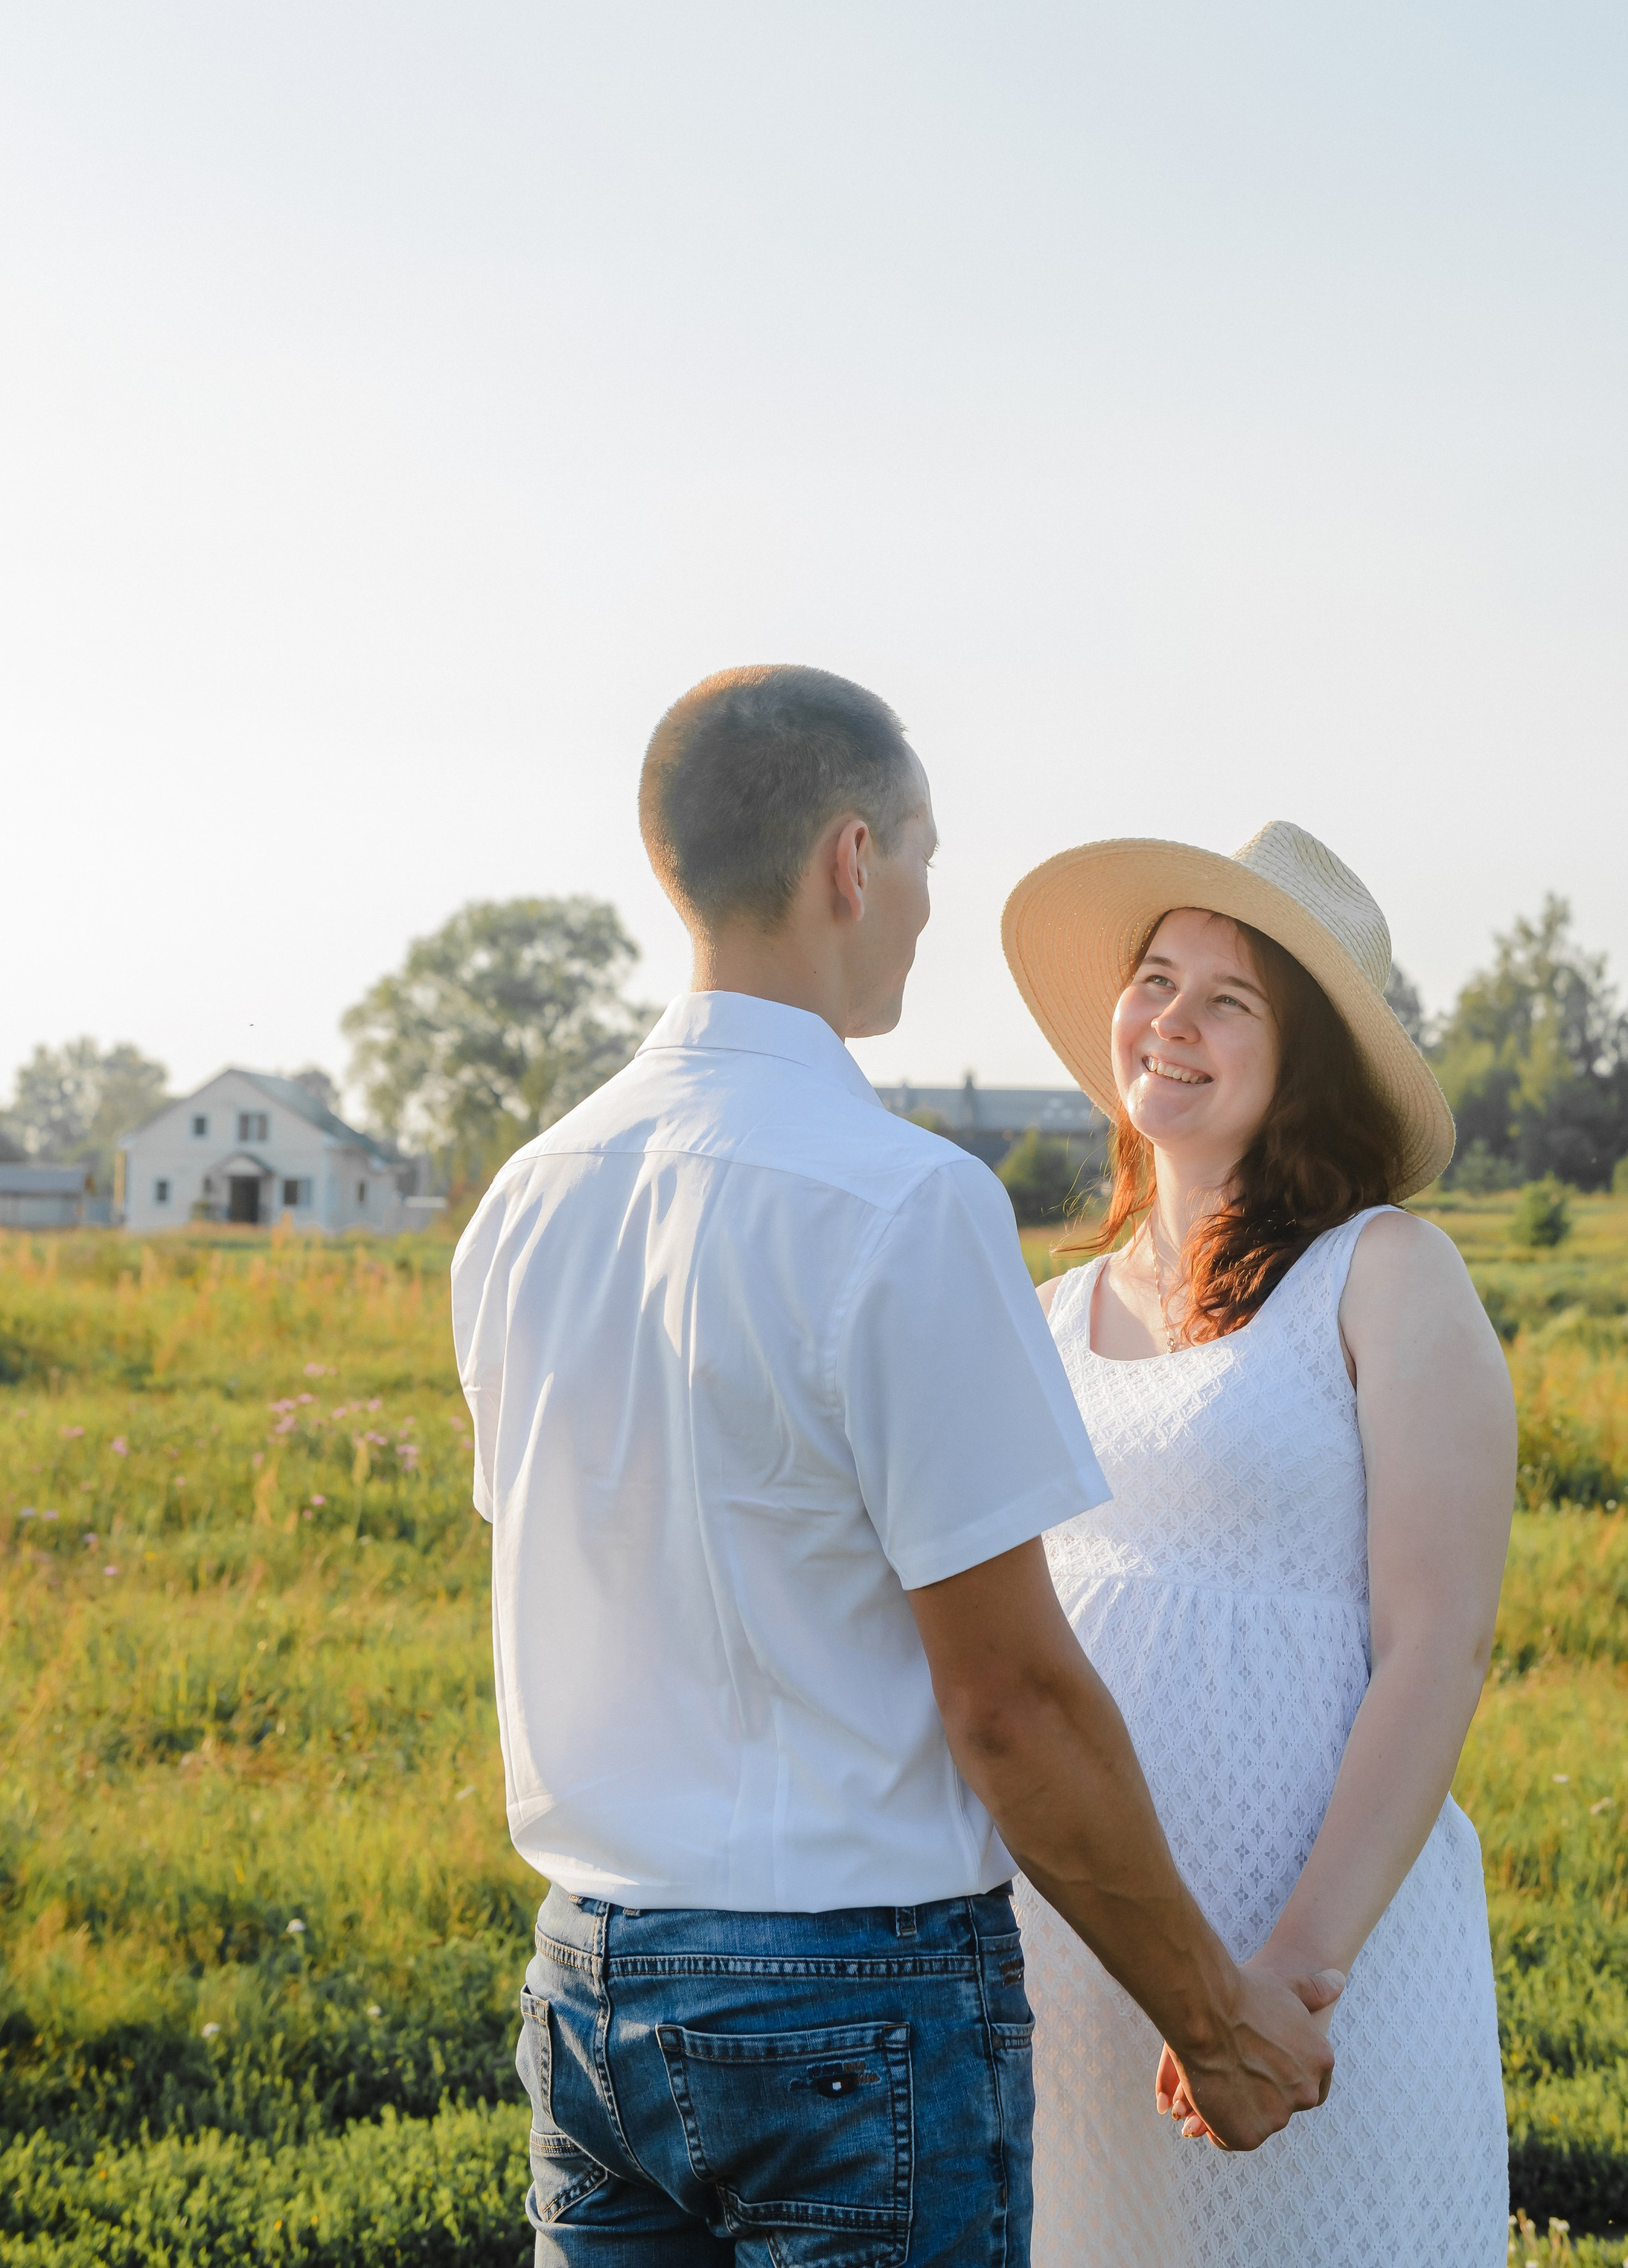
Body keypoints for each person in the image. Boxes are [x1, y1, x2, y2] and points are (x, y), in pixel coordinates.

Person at [452, 669, 1341, 2268]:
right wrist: (1210, 2016)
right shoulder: (902, 1202)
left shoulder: (524, 1201)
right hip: (848, 2004)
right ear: (852, 861)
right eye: (922, 857)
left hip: (587, 1980)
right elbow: (1007, 1699)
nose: (925, 903)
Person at [999, 815, 1518, 2267]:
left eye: (1226, 1000)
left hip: (1306, 1979)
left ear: (1304, 1062)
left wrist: (1289, 1972)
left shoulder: (1382, 1274)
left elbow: (1438, 1639)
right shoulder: (1046, 1317)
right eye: (1154, 977)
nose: (1169, 1020)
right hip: (1075, 1982)